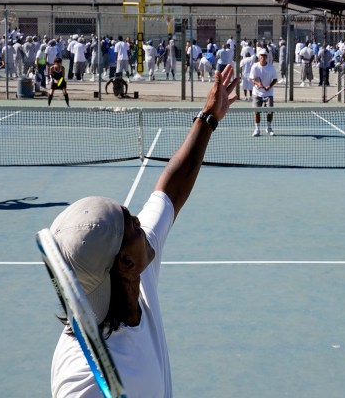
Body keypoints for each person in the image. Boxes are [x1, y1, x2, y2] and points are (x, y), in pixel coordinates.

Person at [49, 64, 238, 397]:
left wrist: (208, 118)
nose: (140, 222)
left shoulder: (134, 277)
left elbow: (169, 192)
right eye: (132, 223)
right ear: (124, 262)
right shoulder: (83, 380)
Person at [250, 48, 277, 137]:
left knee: (270, 111)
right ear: (259, 57)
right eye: (262, 56)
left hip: (269, 93)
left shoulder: (271, 67)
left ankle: (269, 128)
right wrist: (258, 83)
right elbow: (252, 79)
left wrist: (269, 86)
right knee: (257, 111)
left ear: (267, 57)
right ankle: (257, 129)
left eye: (265, 56)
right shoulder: (255, 66)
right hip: (257, 93)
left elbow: (275, 79)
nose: (263, 57)